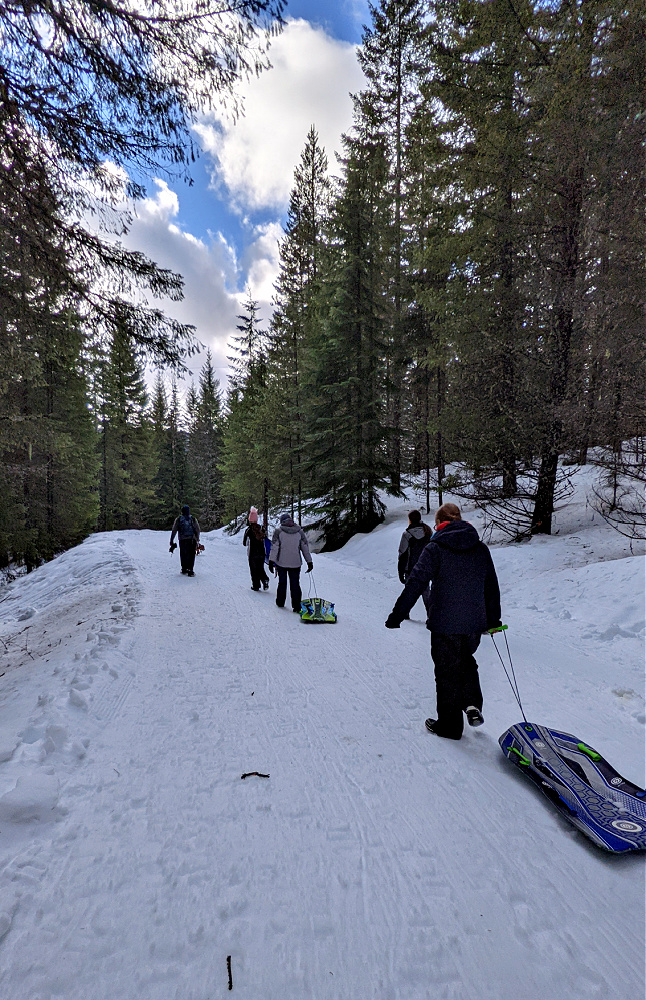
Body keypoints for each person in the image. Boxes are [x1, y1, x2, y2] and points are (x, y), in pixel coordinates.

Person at [385, 502, 501, 740]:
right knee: (466, 659)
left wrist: (397, 616)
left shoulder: (435, 548)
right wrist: (493, 619)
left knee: (447, 670)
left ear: (439, 524)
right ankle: (471, 703)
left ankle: (449, 726)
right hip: (473, 623)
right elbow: (491, 586)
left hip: (444, 621)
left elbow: (416, 582)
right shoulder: (479, 548)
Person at [269, 513, 313, 612]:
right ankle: (297, 606)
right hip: (295, 563)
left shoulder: (278, 532)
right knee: (295, 584)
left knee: (282, 583)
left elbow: (274, 548)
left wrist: (271, 561)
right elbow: (305, 547)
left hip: (282, 563)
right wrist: (309, 561)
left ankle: (280, 602)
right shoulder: (299, 532)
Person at [397, 510, 433, 621]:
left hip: (411, 569)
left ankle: (405, 613)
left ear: (410, 520)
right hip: (425, 568)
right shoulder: (428, 532)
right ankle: (431, 616)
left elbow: (402, 553)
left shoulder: (407, 535)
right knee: (426, 594)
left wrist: (401, 571)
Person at [243, 507, 269, 592]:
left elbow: (245, 543)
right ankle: (265, 579)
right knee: (260, 568)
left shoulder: (249, 530)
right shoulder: (261, 529)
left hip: (252, 553)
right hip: (262, 552)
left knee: (253, 569)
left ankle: (256, 585)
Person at [169, 505, 200, 577]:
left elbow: (174, 530)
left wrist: (171, 540)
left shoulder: (179, 519)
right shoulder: (193, 518)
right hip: (192, 539)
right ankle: (190, 570)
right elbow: (197, 529)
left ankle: (184, 568)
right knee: (191, 554)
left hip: (182, 539)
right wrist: (197, 538)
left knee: (183, 554)